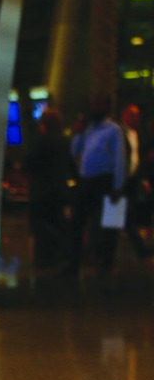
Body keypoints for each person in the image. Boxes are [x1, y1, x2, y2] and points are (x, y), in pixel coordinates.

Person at [67, 94, 125, 277]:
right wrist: (78, 133)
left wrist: (118, 186)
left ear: (107, 108)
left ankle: (107, 263)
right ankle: (73, 265)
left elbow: (119, 158)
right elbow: (74, 152)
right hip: (87, 181)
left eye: (99, 105)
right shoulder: (88, 129)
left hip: (106, 180)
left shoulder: (113, 129)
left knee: (110, 225)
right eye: (93, 105)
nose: (95, 109)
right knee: (77, 222)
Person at [22, 108, 75, 272]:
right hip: (60, 191)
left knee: (40, 224)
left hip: (41, 192)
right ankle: (57, 256)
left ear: (43, 124)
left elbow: (28, 165)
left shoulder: (41, 142)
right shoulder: (65, 142)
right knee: (57, 221)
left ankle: (44, 259)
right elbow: (71, 166)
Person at [118, 103, 153, 265]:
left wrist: (141, 179)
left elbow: (136, 159)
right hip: (121, 180)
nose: (135, 119)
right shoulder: (119, 133)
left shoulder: (135, 134)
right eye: (132, 115)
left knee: (124, 217)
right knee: (120, 217)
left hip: (131, 180)